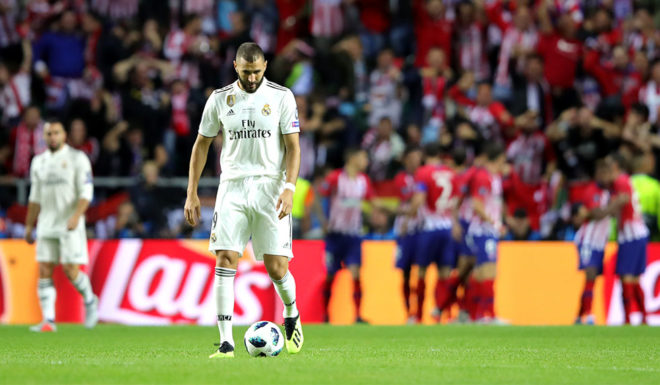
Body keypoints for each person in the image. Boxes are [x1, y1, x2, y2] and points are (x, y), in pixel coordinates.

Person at [184, 42, 303, 358]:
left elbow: (293, 147)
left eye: (257, 71)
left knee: (276, 267)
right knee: (225, 259)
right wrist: (192, 192)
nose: (252, 78)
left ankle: (290, 311)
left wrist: (290, 187)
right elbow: (201, 145)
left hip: (270, 187)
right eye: (247, 72)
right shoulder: (220, 99)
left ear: (265, 65)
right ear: (236, 66)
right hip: (233, 187)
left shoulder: (281, 97)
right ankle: (226, 342)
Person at [24, 120, 98, 332]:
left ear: (64, 135)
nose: (52, 137)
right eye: (49, 133)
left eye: (56, 133)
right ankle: (48, 320)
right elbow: (34, 198)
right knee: (45, 268)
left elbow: (86, 192)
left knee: (70, 269)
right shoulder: (38, 161)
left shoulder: (77, 158)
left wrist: (76, 216)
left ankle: (90, 300)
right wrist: (29, 226)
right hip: (46, 223)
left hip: (69, 223)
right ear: (44, 136)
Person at [320, 148, 374, 324]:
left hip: (353, 236)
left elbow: (373, 201)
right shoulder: (336, 178)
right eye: (364, 156)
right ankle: (325, 314)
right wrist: (322, 221)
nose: (366, 161)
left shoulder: (363, 181)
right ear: (352, 157)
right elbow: (316, 197)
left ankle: (358, 315)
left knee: (356, 274)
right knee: (330, 275)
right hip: (335, 235)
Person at [408, 143, 456, 323]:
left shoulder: (423, 172)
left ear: (424, 155)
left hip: (429, 228)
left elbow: (419, 200)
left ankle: (418, 316)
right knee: (445, 273)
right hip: (448, 227)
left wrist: (408, 215)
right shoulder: (450, 172)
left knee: (421, 271)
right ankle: (443, 315)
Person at [466, 143, 506, 323]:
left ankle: (477, 314)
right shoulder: (483, 177)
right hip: (483, 230)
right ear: (498, 159)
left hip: (488, 230)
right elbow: (477, 205)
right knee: (488, 272)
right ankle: (488, 315)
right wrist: (496, 224)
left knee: (481, 273)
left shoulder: (494, 177)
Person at [608, 154, 650, 324]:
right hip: (639, 233)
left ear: (616, 165)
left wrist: (618, 231)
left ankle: (627, 319)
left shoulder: (619, 181)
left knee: (626, 276)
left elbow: (622, 206)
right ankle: (643, 317)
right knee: (634, 277)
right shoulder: (626, 180)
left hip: (630, 234)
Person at [572, 159, 612, 325]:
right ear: (597, 174)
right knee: (590, 274)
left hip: (599, 242)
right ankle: (587, 314)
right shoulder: (593, 190)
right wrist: (615, 206)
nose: (606, 176)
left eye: (608, 172)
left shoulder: (609, 193)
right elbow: (596, 213)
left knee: (592, 278)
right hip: (587, 240)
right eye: (602, 172)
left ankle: (579, 316)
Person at [392, 146, 423, 322]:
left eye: (417, 159)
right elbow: (406, 199)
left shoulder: (424, 176)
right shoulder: (401, 179)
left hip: (421, 229)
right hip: (405, 230)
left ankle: (419, 311)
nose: (415, 162)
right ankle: (408, 311)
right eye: (411, 159)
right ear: (405, 161)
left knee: (422, 271)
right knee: (405, 272)